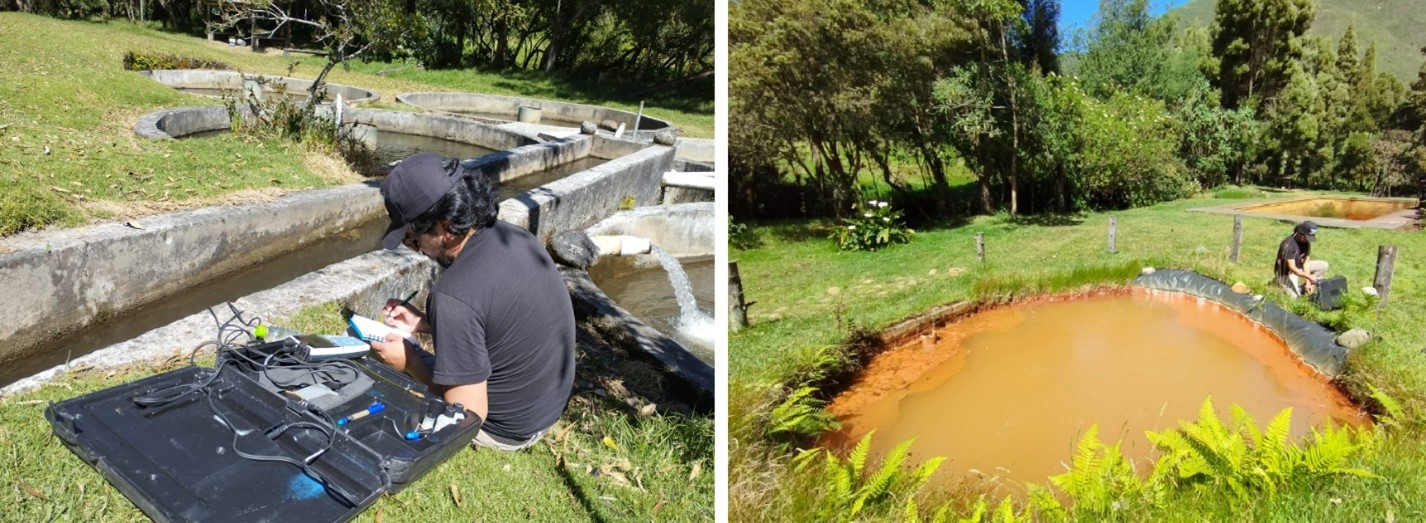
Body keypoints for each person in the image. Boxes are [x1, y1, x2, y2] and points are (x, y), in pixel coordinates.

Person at [370, 152, 576, 451]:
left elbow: (468, 415)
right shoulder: (514, 237)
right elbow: (497, 318)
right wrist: (427, 324)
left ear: (447, 225)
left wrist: (410, 362)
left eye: (413, 237)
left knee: (388, 382)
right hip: (543, 409)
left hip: (503, 430)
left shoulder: (452, 297)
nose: (413, 248)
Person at [1274, 220, 1329, 298]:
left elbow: (1306, 263)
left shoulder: (1306, 243)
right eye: (1307, 237)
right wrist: (1309, 277)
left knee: (1324, 265)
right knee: (1294, 297)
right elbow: (1292, 268)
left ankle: (1303, 288)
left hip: (1299, 266)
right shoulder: (1288, 245)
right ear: (1300, 234)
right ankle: (1277, 283)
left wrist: (1308, 282)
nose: (1308, 240)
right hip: (1287, 272)